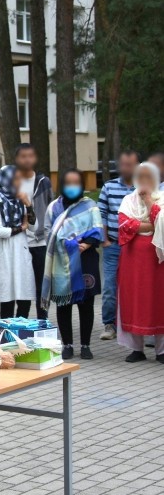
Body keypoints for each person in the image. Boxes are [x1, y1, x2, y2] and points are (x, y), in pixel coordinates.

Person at [42, 169, 104, 360]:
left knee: (86, 304)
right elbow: (47, 232)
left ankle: (85, 345)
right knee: (64, 303)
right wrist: (63, 245)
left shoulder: (90, 206)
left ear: (82, 185)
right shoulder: (54, 207)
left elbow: (98, 230)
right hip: (62, 262)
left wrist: (86, 244)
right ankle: (67, 344)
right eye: (68, 183)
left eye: (76, 183)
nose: (72, 187)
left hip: (86, 260)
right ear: (62, 184)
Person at [117, 162, 164, 362]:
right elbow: (125, 225)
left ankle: (161, 351)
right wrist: (150, 225)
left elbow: (160, 222)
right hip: (132, 259)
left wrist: (148, 203)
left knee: (158, 300)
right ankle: (137, 349)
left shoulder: (162, 199)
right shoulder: (127, 200)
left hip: (157, 259)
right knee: (133, 299)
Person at [97, 150, 141, 340]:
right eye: (122, 164)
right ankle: (110, 325)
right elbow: (102, 215)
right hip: (114, 245)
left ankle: (140, 327)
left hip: (137, 246)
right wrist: (105, 241)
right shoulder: (109, 187)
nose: (125, 168)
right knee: (109, 287)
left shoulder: (145, 187)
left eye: (130, 164)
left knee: (138, 287)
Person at [0, 165, 37, 318]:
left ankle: (21, 333)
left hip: (21, 252)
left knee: (25, 298)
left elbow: (34, 227)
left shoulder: (21, 200)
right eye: (16, 179)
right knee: (7, 298)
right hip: (5, 253)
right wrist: (22, 228)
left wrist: (28, 206)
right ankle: (7, 336)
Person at [14, 143, 54, 319]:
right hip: (19, 242)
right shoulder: (12, 182)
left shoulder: (43, 182)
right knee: (22, 289)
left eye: (30, 155)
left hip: (40, 242)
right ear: (17, 159)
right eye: (23, 156)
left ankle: (42, 323)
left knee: (41, 286)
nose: (27, 159)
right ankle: (21, 324)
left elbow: (51, 208)